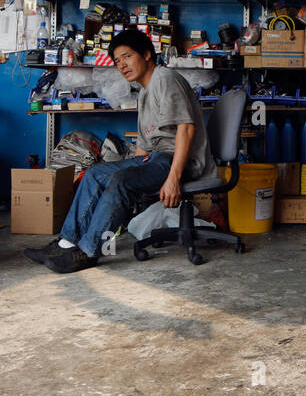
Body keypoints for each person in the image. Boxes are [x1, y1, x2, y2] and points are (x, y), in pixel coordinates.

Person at [26, 28, 212, 273]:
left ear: (146, 54)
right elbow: (143, 146)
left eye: (127, 56)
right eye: (117, 61)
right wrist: (135, 172)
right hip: (155, 160)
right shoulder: (145, 91)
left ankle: (89, 251)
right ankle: (66, 242)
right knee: (95, 173)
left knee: (121, 180)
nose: (122, 65)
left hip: (180, 161)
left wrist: (173, 179)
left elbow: (185, 129)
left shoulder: (165, 79)